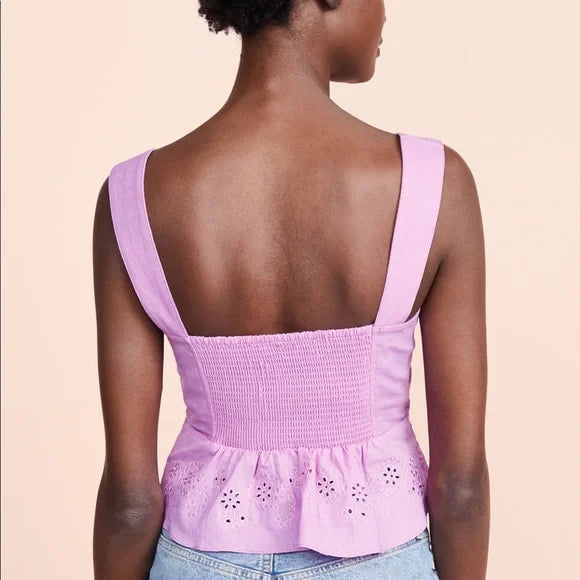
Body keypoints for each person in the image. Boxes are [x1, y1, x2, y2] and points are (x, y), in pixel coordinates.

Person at [92, 0, 489, 578]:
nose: (387, 10)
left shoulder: (134, 197)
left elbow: (129, 502)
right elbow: (460, 487)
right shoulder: (433, 184)